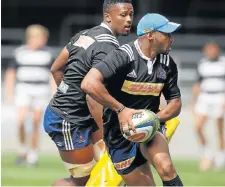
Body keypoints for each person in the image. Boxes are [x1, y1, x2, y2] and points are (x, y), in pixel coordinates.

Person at [81, 13, 183, 186]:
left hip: (150, 130)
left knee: (166, 168)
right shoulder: (122, 56)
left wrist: (153, 119)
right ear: (150, 35)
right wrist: (121, 110)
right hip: (119, 135)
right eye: (166, 34)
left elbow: (176, 104)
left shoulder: (167, 63)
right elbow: (89, 83)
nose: (171, 39)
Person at [43, 0, 134, 186]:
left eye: (131, 15)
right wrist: (104, 137)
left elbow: (56, 68)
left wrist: (67, 95)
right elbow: (91, 94)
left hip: (72, 115)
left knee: (104, 177)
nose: (129, 20)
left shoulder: (84, 34)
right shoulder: (109, 47)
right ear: (108, 16)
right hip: (69, 120)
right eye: (123, 15)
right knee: (83, 182)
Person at [4, 24, 55, 167]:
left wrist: (54, 93)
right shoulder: (20, 52)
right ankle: (22, 149)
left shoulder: (48, 54)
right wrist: (8, 93)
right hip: (23, 88)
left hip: (41, 91)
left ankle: (33, 153)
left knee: (35, 122)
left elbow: (53, 75)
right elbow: (11, 73)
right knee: (20, 120)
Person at [191, 42, 225, 171]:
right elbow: (198, 83)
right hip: (205, 97)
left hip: (220, 97)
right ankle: (207, 154)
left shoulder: (223, 63)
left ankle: (221, 156)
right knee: (198, 127)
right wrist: (193, 101)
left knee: (219, 129)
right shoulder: (202, 64)